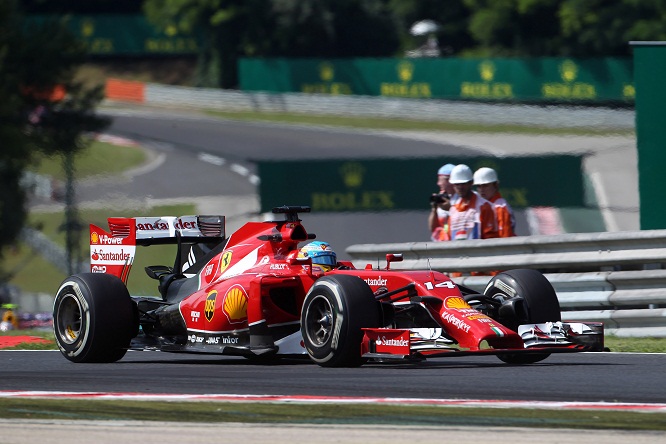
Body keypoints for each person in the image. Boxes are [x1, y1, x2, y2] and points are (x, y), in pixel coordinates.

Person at [447, 164, 498, 240]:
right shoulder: (453, 209)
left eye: (463, 184)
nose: (460, 187)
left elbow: (490, 238)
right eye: (457, 184)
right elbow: (448, 235)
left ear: (471, 183)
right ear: (453, 185)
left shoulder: (484, 206)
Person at [474, 167, 516, 237]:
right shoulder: (480, 205)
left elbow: (505, 236)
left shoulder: (501, 206)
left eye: (485, 185)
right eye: (479, 186)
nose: (481, 190)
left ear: (496, 185)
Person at [429, 163, 455, 241]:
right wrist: (434, 210)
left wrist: (451, 208)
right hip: (442, 243)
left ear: (449, 180)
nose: (438, 183)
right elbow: (433, 229)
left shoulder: (465, 199)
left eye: (440, 180)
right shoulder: (442, 199)